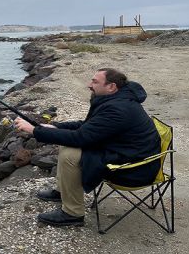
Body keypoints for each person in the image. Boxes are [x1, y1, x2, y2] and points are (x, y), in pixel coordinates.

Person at [14, 68, 161, 226]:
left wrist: (34, 130)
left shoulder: (118, 109)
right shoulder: (117, 100)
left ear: (111, 86)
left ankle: (72, 214)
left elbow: (80, 137)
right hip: (124, 151)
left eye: (95, 81)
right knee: (67, 146)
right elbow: (87, 126)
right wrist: (55, 127)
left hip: (134, 168)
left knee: (70, 155)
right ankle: (63, 191)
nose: (89, 85)